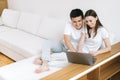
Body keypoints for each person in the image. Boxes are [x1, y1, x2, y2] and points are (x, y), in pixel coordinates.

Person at [33, 8, 85, 73]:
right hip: (63, 45)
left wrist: (76, 55)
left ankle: (44, 59)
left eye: (79, 21)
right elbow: (67, 40)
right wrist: (76, 54)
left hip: (71, 51)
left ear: (83, 19)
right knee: (47, 43)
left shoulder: (85, 26)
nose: (77, 24)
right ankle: (45, 65)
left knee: (68, 62)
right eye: (74, 22)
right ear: (71, 20)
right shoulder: (68, 24)